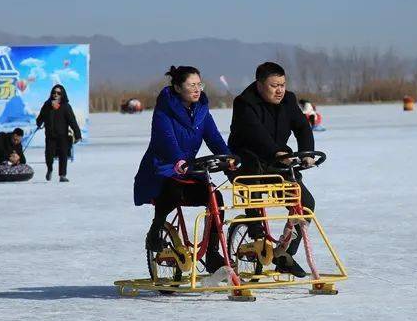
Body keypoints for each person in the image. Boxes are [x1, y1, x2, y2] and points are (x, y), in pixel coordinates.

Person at [133, 66, 233, 278]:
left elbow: (213, 137)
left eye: (199, 84)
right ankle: (156, 229)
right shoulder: (164, 109)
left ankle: (213, 253)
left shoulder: (202, 110)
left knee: (215, 196)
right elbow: (166, 138)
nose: (197, 89)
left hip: (187, 168)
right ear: (178, 87)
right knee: (172, 188)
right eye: (191, 85)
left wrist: (228, 157)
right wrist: (178, 159)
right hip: (162, 167)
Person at [227, 62, 315, 278]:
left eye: (283, 85)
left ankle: (285, 253)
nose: (280, 90)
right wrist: (277, 153)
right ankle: (257, 240)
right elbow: (256, 134)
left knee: (305, 203)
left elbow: (302, 127)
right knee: (254, 197)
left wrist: (306, 153)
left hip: (277, 163)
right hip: (248, 162)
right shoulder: (244, 103)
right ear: (259, 84)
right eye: (274, 85)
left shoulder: (289, 100)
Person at [36, 84, 82, 182]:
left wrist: (78, 135)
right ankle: (49, 169)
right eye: (54, 92)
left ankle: (62, 175)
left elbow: (72, 121)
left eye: (58, 93)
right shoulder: (46, 105)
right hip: (50, 135)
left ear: (62, 94)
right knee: (49, 154)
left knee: (63, 155)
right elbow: (40, 118)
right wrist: (39, 123)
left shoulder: (66, 106)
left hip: (63, 136)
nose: (56, 94)